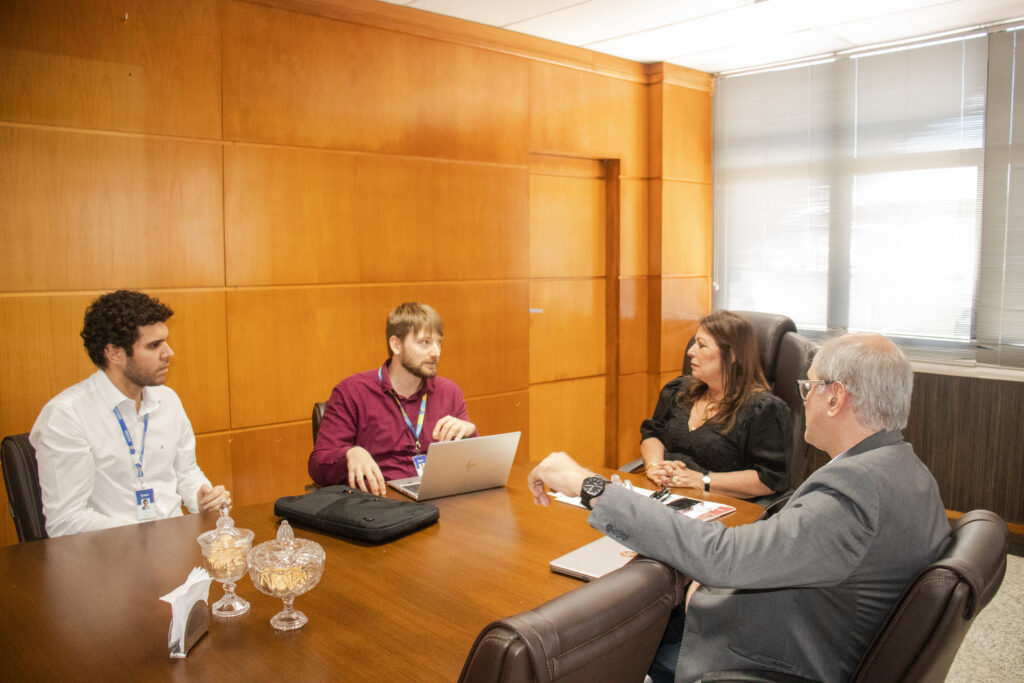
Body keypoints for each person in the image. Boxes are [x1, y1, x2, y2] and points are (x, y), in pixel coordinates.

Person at [528, 333, 950, 682]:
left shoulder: (859, 486)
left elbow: (723, 558)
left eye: (809, 386)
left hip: (775, 660)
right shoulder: (907, 469)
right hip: (820, 627)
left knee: (600, 645)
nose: (805, 399)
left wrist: (593, 487)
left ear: (835, 397)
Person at [30, 290, 230, 538]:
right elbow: (66, 521)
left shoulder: (168, 400)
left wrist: (201, 496)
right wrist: (146, 534)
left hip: (175, 547)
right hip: (109, 558)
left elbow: (186, 472)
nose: (169, 353)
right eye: (154, 345)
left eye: (165, 341)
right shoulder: (66, 416)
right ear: (114, 352)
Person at [309, 302, 477, 494]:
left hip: (441, 496)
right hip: (381, 503)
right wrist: (350, 453)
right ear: (396, 345)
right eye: (425, 342)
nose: (436, 352)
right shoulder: (351, 392)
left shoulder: (449, 392)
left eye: (439, 342)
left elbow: (471, 466)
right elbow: (317, 464)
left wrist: (470, 432)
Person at [640, 310, 790, 499]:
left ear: (732, 355)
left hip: (718, 506)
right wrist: (655, 466)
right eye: (695, 342)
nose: (690, 351)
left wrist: (703, 480)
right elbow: (653, 434)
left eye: (701, 345)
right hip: (662, 493)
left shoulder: (763, 409)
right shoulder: (678, 390)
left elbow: (768, 479)